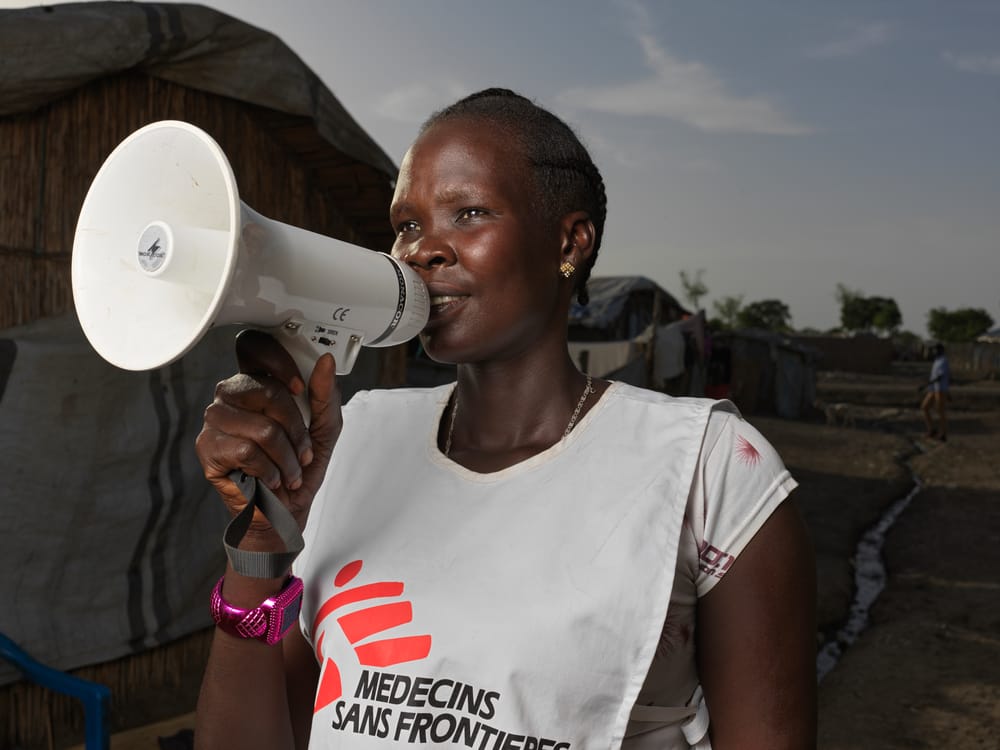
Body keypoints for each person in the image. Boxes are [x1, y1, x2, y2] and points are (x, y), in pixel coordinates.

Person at [193, 89, 816, 750]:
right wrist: (258, 548)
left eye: (469, 212)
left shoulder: (710, 467)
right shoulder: (356, 438)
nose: (424, 249)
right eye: (407, 225)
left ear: (570, 242)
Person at [921, 343, 950, 441]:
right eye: (933, 350)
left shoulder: (943, 361)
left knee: (940, 411)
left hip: (940, 389)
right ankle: (932, 429)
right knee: (925, 407)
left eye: (936, 350)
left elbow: (940, 376)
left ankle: (943, 434)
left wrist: (926, 384)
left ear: (941, 350)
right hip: (933, 389)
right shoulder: (936, 361)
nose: (934, 352)